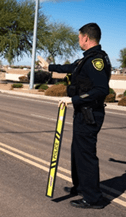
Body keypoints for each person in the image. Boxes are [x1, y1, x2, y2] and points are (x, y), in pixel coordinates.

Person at [39, 23, 111, 209]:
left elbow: (101, 89)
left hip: (90, 114)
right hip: (83, 113)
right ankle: (81, 187)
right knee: (77, 152)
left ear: (86, 38)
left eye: (79, 37)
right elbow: (71, 67)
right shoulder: (86, 59)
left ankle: (93, 198)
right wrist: (49, 67)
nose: (78, 40)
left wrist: (75, 99)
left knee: (86, 155)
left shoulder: (97, 61)